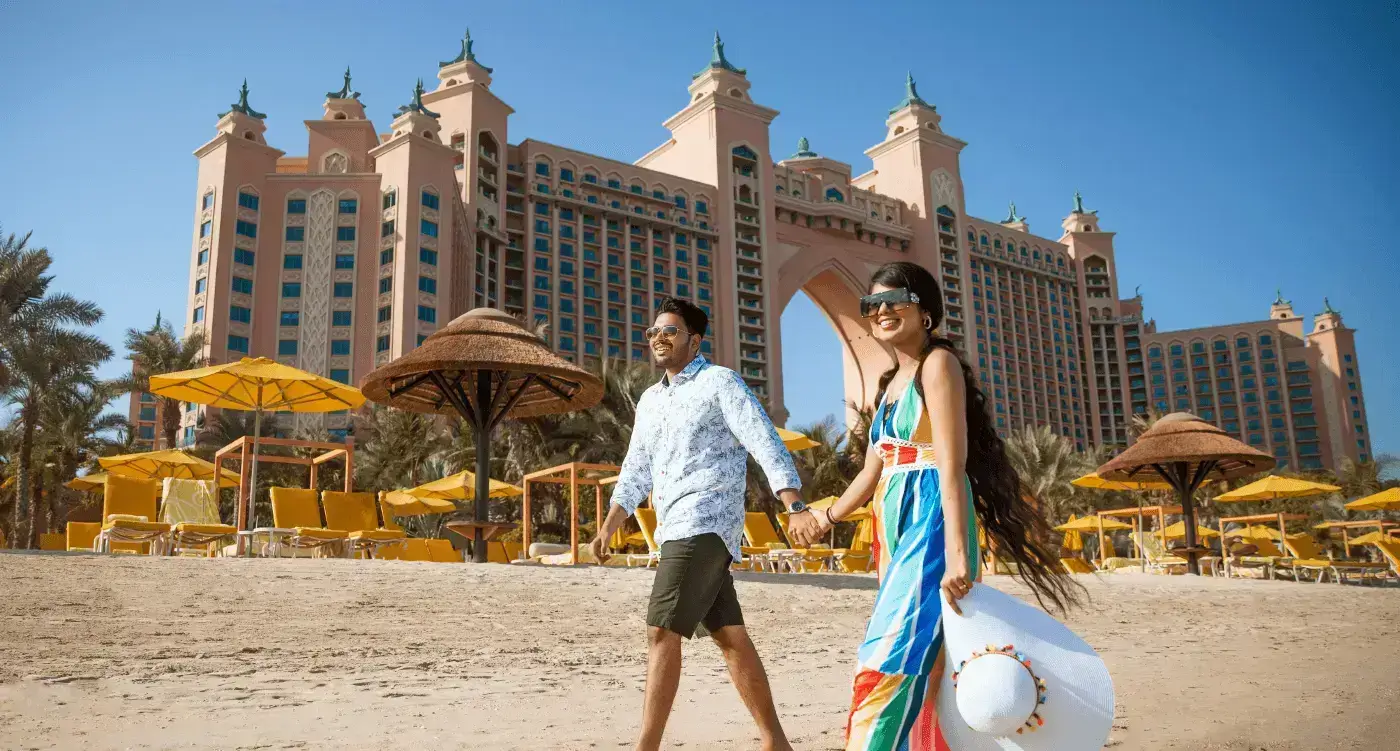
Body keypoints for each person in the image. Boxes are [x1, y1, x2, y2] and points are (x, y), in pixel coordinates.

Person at [788, 262, 1080, 751]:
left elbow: (951, 465)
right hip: (894, 528)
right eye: (871, 304)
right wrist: (826, 518)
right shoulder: (888, 385)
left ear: (925, 311)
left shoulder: (937, 365)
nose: (880, 310)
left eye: (893, 298)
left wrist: (959, 552)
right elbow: (869, 472)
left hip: (930, 520)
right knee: (926, 655)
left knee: (889, 657)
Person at [590, 297, 821, 751]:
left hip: (708, 521)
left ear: (694, 341)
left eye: (670, 331)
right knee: (730, 636)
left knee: (661, 629)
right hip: (673, 525)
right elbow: (636, 468)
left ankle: (646, 747)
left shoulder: (720, 383)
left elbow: (762, 439)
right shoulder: (650, 400)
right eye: (653, 331)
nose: (659, 338)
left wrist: (793, 503)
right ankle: (777, 742)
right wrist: (608, 525)